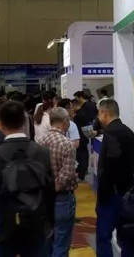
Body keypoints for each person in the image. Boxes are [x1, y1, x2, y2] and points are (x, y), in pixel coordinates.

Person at [0, 101, 54, 257]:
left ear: (1, 123)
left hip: (4, 227)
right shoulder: (42, 152)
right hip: (37, 225)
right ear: (24, 121)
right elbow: (50, 191)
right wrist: (49, 223)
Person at [95, 99, 134, 257]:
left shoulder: (111, 133)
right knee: (127, 238)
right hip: (127, 190)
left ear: (104, 113)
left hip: (111, 194)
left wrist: (102, 197)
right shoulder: (129, 132)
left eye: (99, 113)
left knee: (103, 237)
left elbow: (108, 167)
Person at [38, 108, 78, 257]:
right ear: (65, 121)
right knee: (61, 242)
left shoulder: (40, 142)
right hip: (63, 198)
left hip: (44, 199)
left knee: (46, 241)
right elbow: (66, 175)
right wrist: (56, 187)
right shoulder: (67, 144)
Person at [73, 91, 97, 181]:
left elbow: (87, 122)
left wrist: (89, 133)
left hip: (82, 134)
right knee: (83, 153)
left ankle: (82, 172)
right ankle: (83, 170)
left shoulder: (84, 110)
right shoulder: (88, 107)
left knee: (82, 154)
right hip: (84, 134)